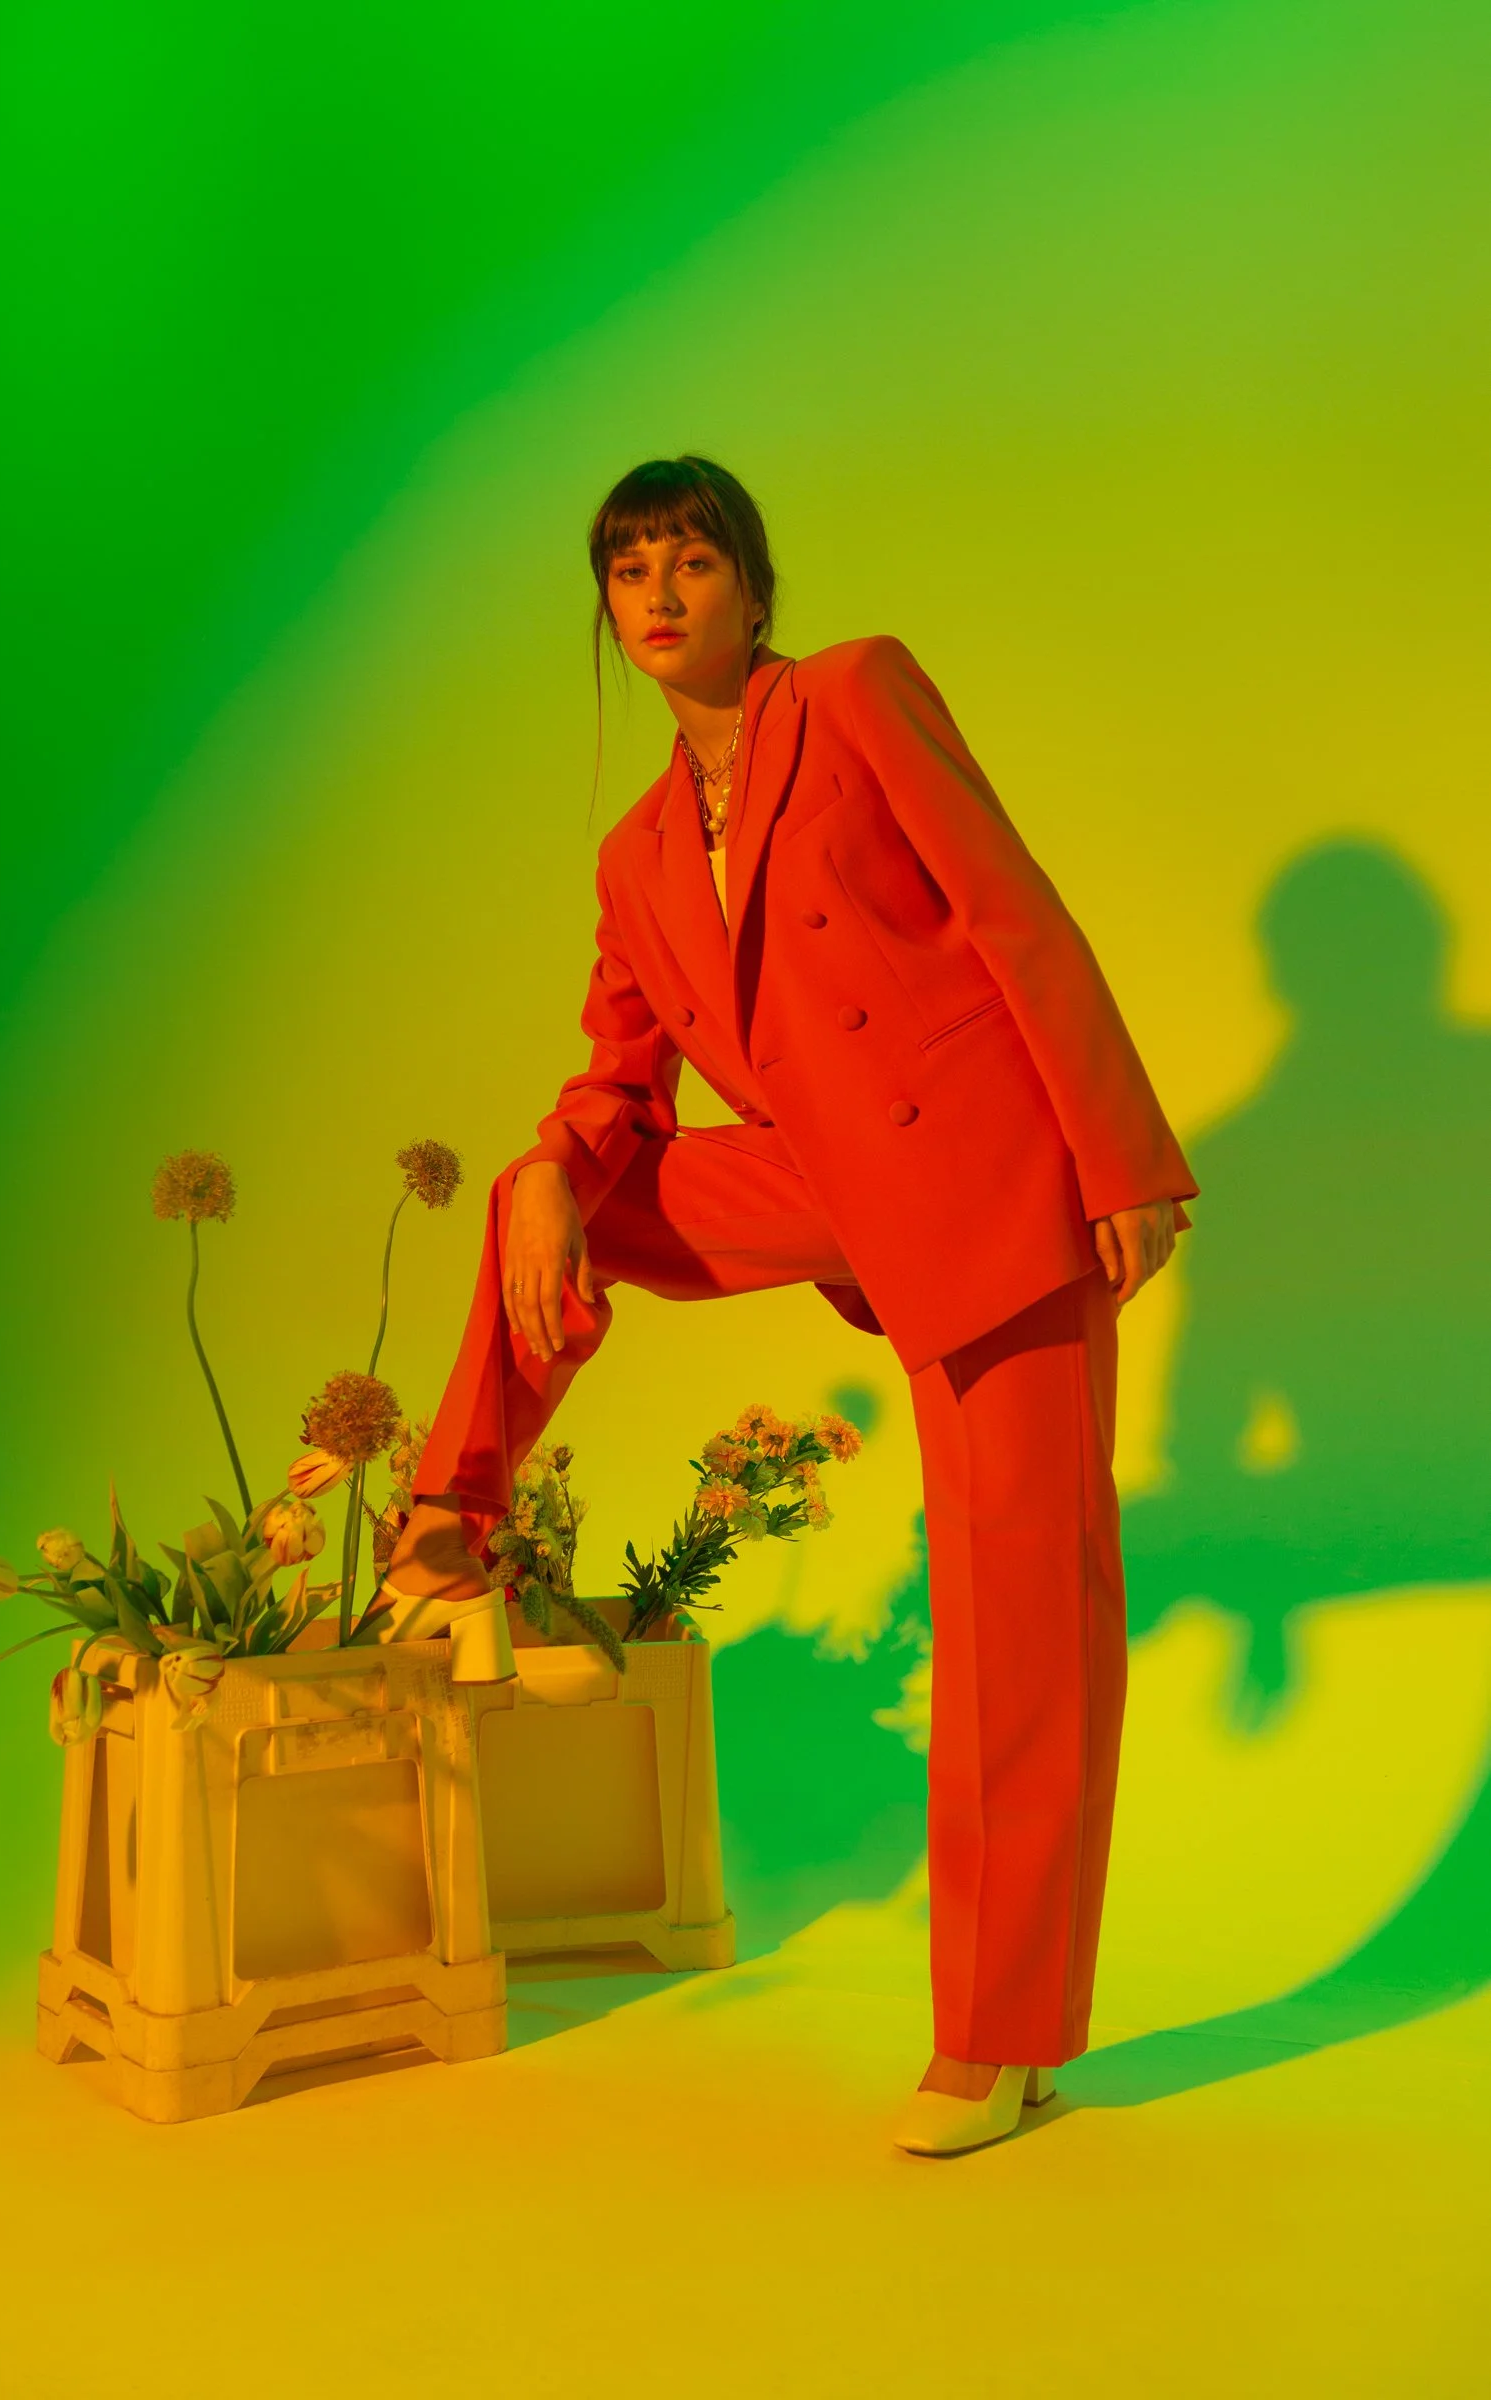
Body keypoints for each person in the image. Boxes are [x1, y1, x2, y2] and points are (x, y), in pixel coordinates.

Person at [382, 454, 1197, 2157]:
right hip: (828, 1187)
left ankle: (999, 2042)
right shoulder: (631, 858)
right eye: (629, 570)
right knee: (552, 1193)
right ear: (606, 611)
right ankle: (452, 1519)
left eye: (691, 561)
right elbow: (620, 1085)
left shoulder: (853, 694)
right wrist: (551, 1166)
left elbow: (1012, 909)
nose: (659, 592)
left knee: (1016, 1633)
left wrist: (1119, 1155)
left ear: (753, 591)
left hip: (989, 1185)